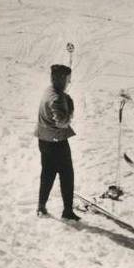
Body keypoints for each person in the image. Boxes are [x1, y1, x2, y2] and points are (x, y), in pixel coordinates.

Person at [35, 64, 79, 221]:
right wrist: (70, 109)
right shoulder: (57, 97)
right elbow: (62, 122)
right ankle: (67, 211)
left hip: (44, 139)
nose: (69, 82)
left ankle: (41, 206)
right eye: (67, 79)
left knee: (47, 173)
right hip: (57, 142)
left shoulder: (49, 90)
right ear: (61, 79)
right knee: (67, 175)